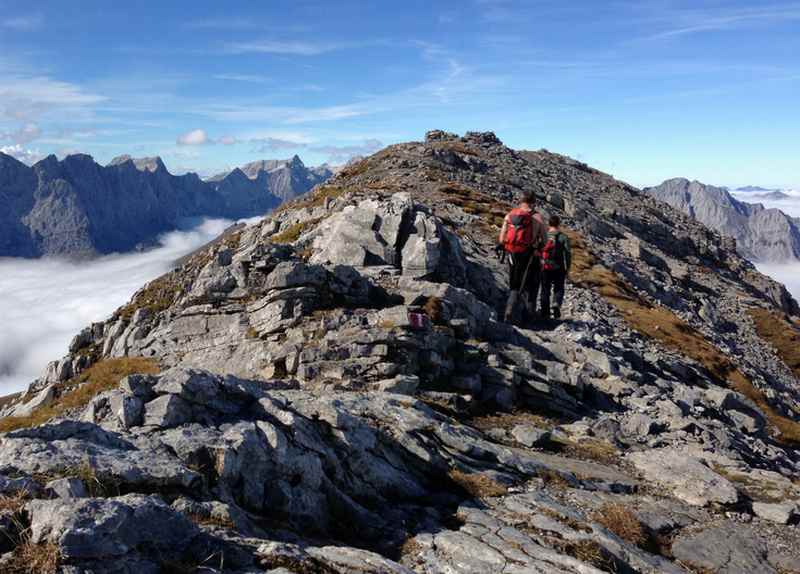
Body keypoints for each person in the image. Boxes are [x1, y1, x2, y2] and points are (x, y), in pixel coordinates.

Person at [498, 190, 546, 324]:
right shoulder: (537, 217)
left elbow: (502, 239)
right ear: (534, 202)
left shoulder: (510, 215)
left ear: (521, 201)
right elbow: (545, 240)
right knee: (532, 286)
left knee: (514, 283)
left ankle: (509, 311)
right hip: (530, 256)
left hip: (512, 254)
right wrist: (538, 249)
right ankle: (527, 317)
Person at [540, 215, 572, 320]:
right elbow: (567, 254)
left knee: (545, 288)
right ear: (558, 224)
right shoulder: (563, 237)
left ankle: (545, 312)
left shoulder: (544, 235)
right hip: (559, 267)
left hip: (544, 266)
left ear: (549, 224)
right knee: (559, 287)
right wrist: (567, 268)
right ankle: (556, 303)